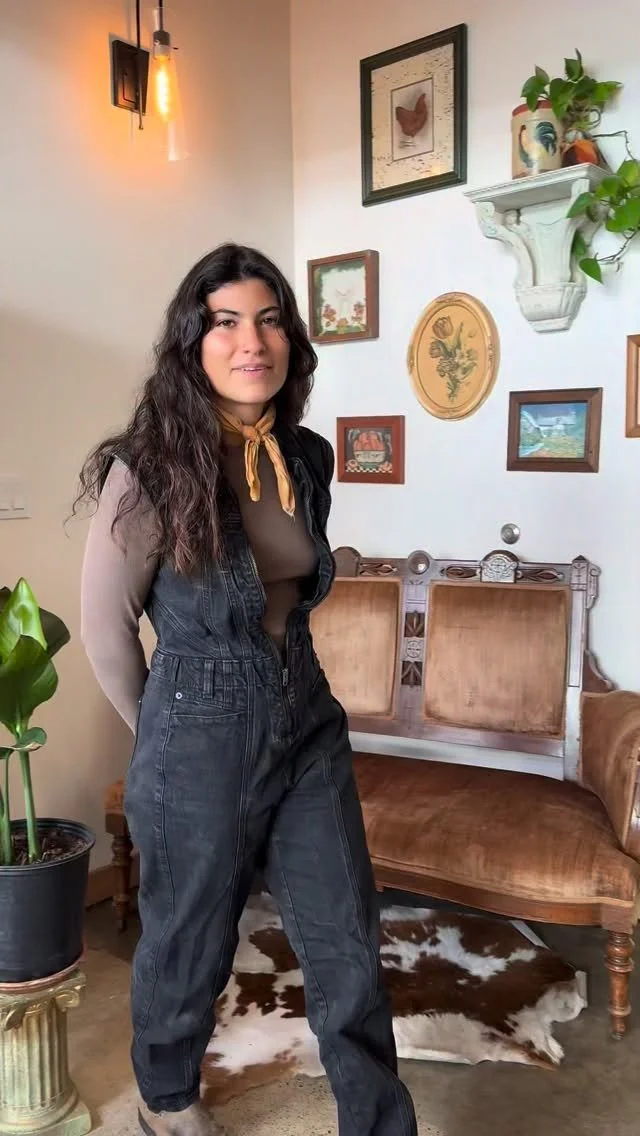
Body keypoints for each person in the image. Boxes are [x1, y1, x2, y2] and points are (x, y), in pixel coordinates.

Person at [77, 243, 417, 1136]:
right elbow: (107, 629)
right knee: (188, 939)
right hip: (196, 724)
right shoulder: (149, 468)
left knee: (347, 937)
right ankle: (166, 1099)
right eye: (225, 322)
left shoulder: (304, 456)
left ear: (290, 340)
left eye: (268, 320)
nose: (250, 341)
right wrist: (166, 736)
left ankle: (378, 1122)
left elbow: (291, 578)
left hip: (307, 716)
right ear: (193, 342)